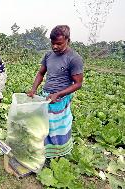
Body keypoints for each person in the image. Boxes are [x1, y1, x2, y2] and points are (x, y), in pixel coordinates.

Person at [27, 25, 83, 158]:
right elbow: (41, 73)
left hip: (59, 99)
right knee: (43, 126)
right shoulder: (48, 55)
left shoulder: (74, 58)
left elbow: (78, 83)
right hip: (46, 96)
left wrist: (58, 94)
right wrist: (34, 89)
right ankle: (44, 154)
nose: (55, 47)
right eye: (52, 43)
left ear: (67, 40)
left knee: (57, 129)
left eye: (59, 43)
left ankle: (57, 155)